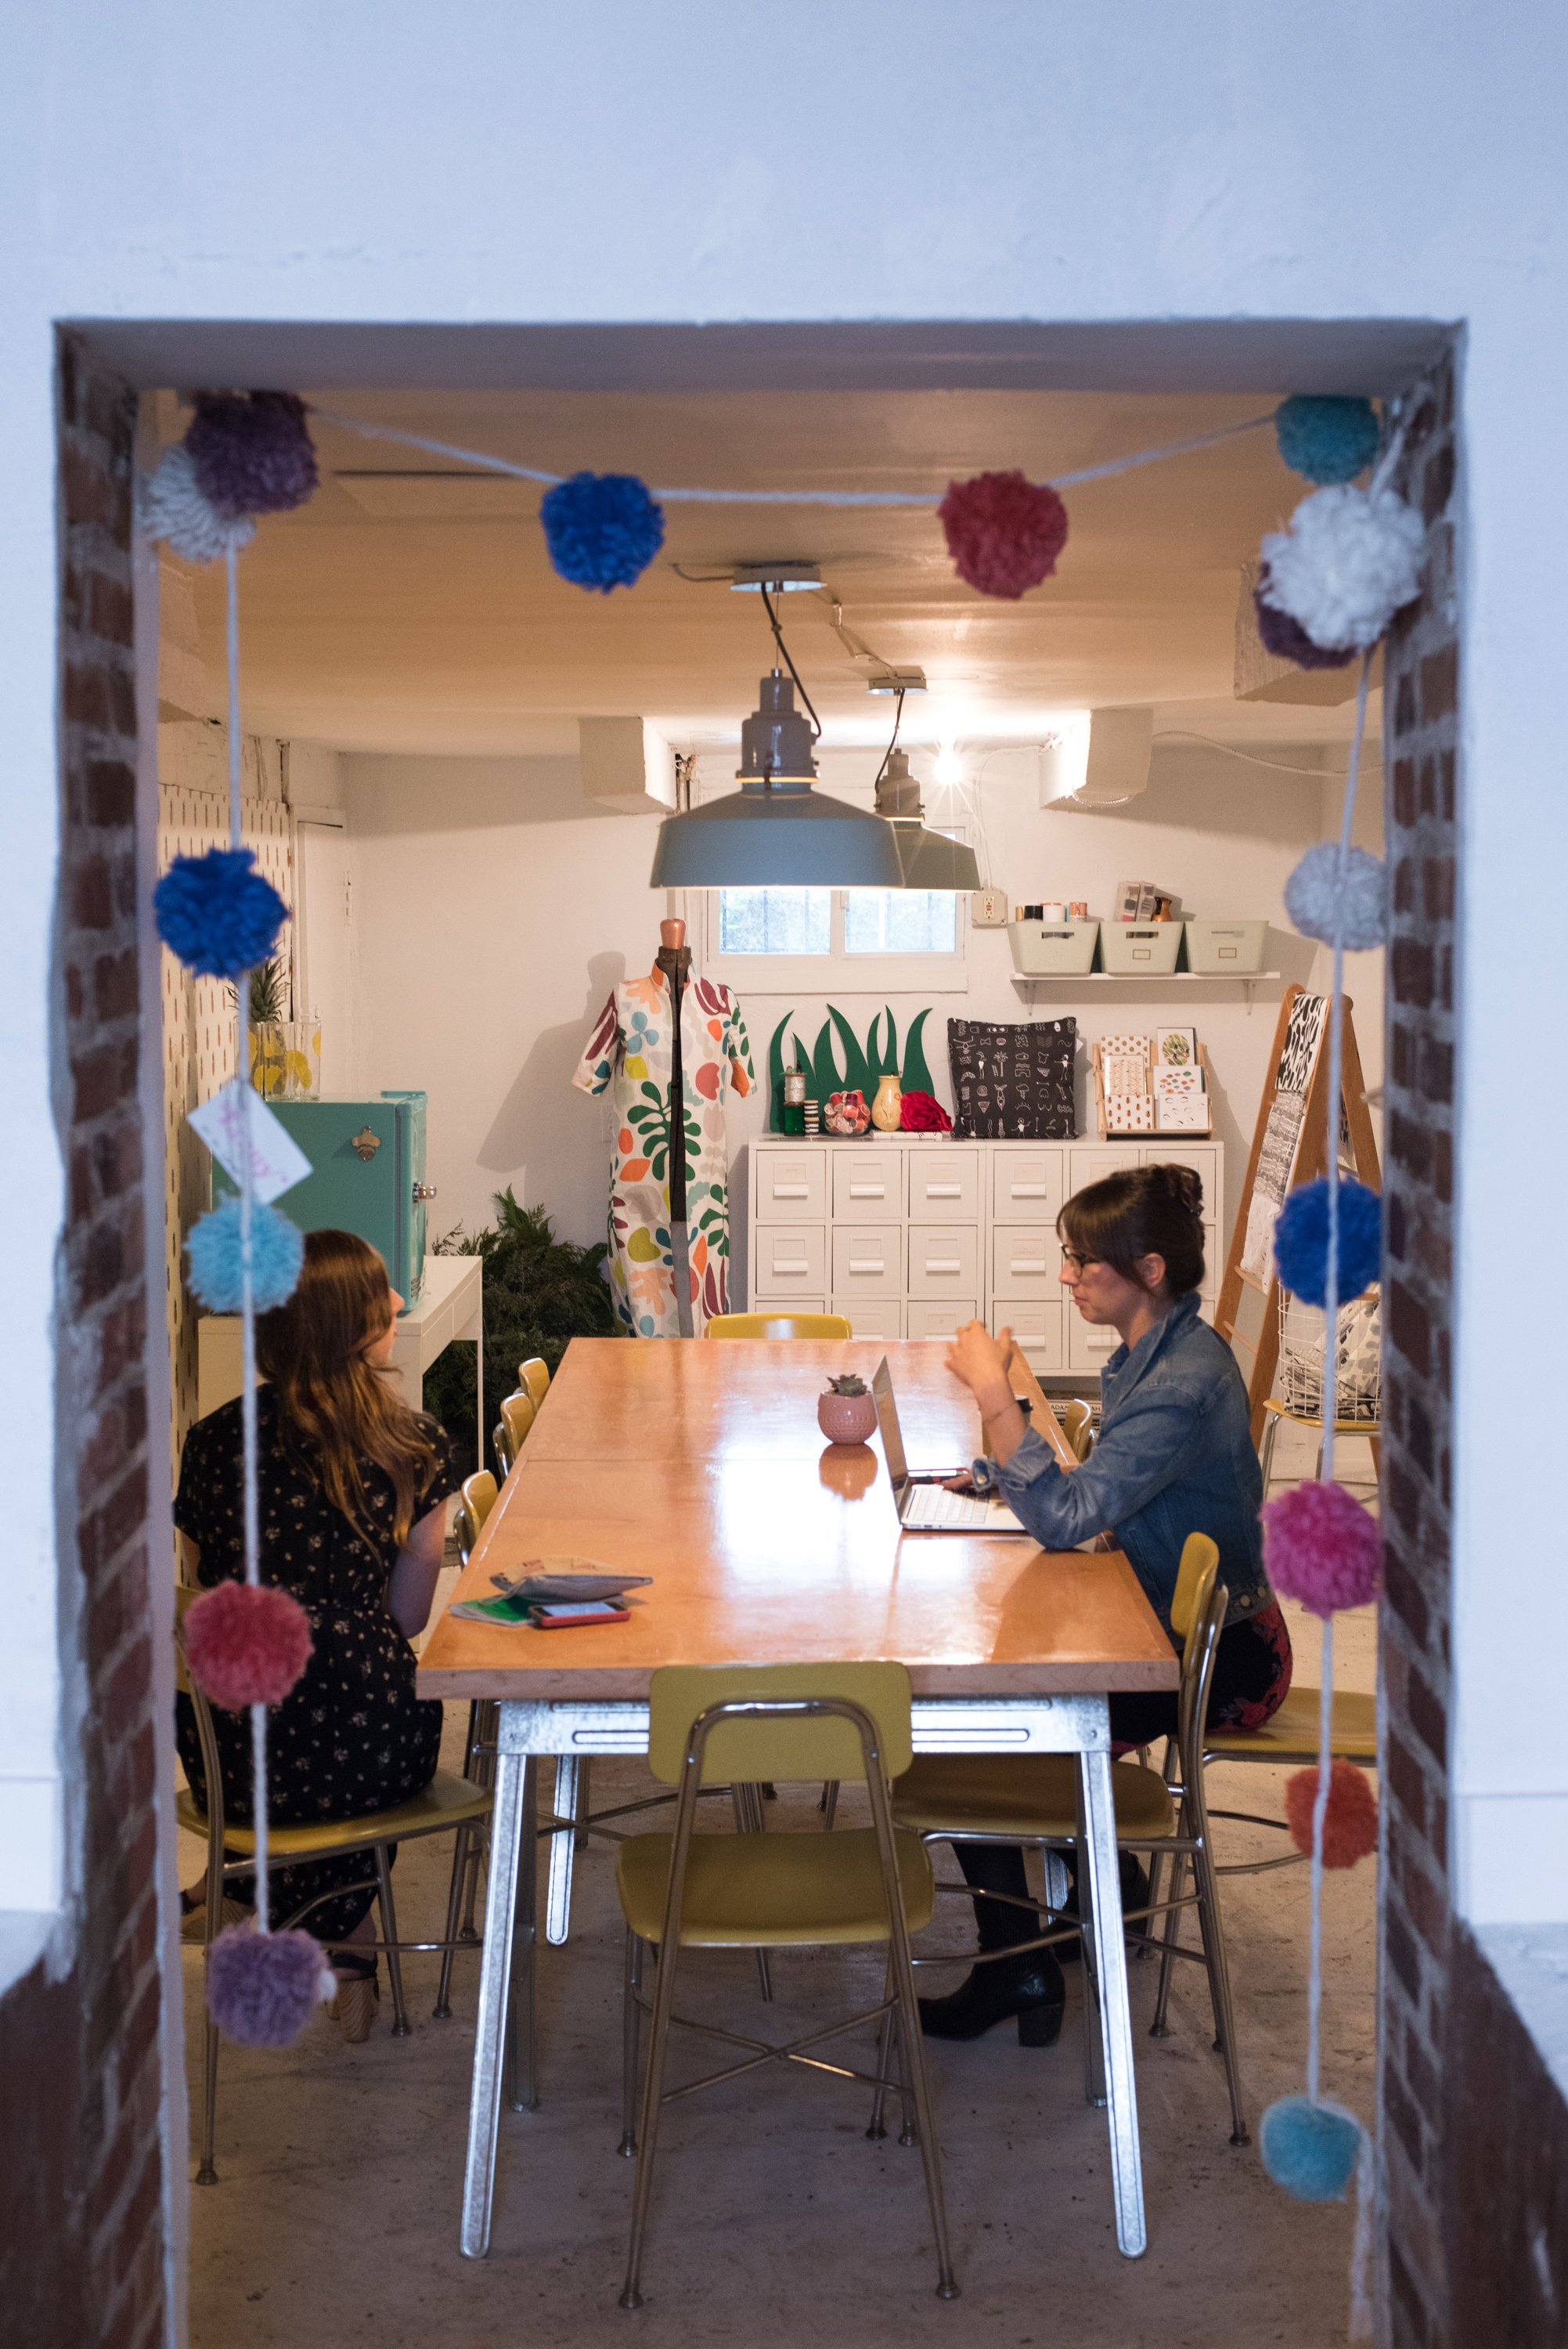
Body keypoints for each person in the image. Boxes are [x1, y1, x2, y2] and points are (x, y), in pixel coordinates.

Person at [919, 1162, 1291, 2046]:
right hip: (1163, 1620)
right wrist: (991, 1469)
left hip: (1220, 1660)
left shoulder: (1180, 1384)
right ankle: (1103, 1884)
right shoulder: (1155, 1352)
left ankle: (1016, 1967)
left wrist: (993, 1396)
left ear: (1149, 1271)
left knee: (966, 1722)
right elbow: (1104, 1490)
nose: (1066, 1276)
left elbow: (1065, 1519)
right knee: (992, 1697)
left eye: (1083, 1263)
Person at [175, 1229, 457, 2041]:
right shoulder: (416, 1447)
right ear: (351, 1324)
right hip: (367, 1732)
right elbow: (406, 1618)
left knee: (273, 1740)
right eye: (383, 1295)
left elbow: (200, 1593)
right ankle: (348, 1943)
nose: (400, 1303)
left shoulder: (214, 1441)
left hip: (229, 1738)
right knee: (358, 1724)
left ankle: (243, 1886)